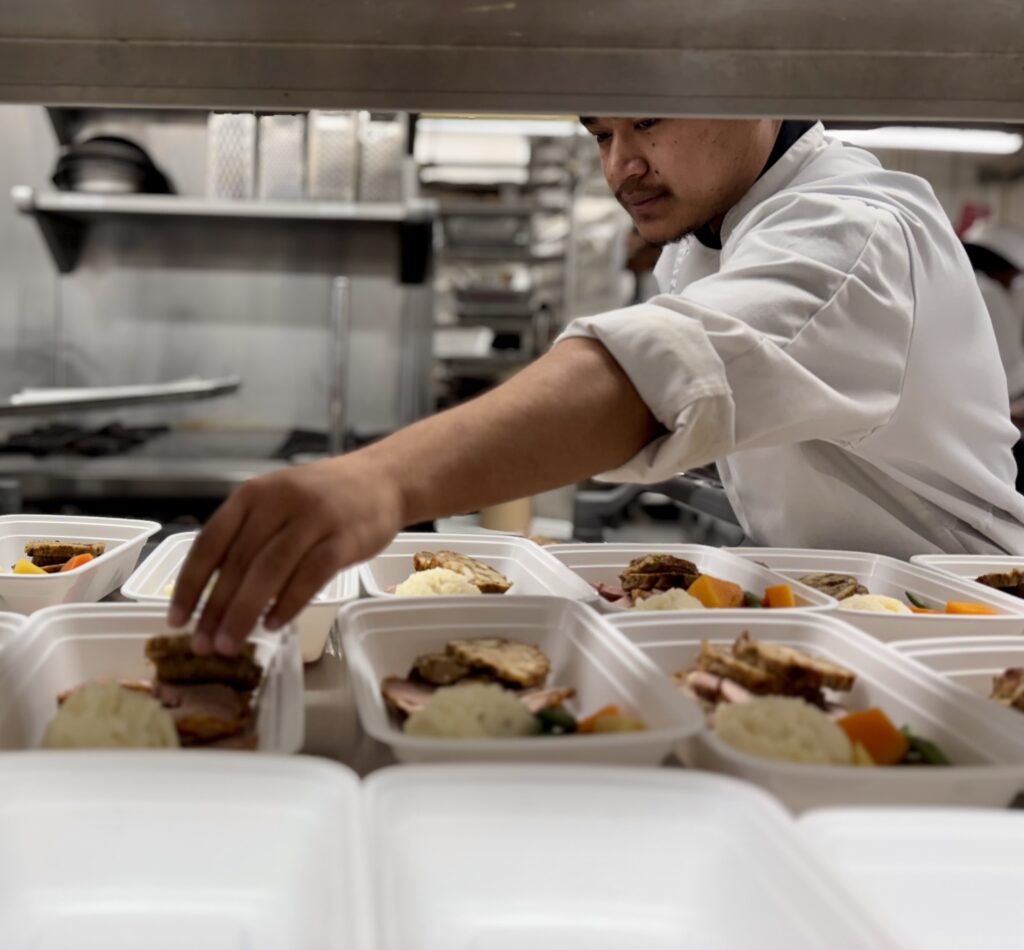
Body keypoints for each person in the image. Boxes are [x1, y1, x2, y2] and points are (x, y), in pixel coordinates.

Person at [170, 118, 1024, 656]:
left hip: (963, 634)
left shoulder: (854, 230)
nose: (621, 169)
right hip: (841, 621)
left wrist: (379, 480)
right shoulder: (709, 240)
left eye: (646, 124)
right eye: (599, 134)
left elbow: (652, 375)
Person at [962, 221, 1024, 401]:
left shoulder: (966, 283)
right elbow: (1009, 369)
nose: (1014, 280)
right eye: (1014, 273)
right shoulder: (989, 293)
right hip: (988, 397)